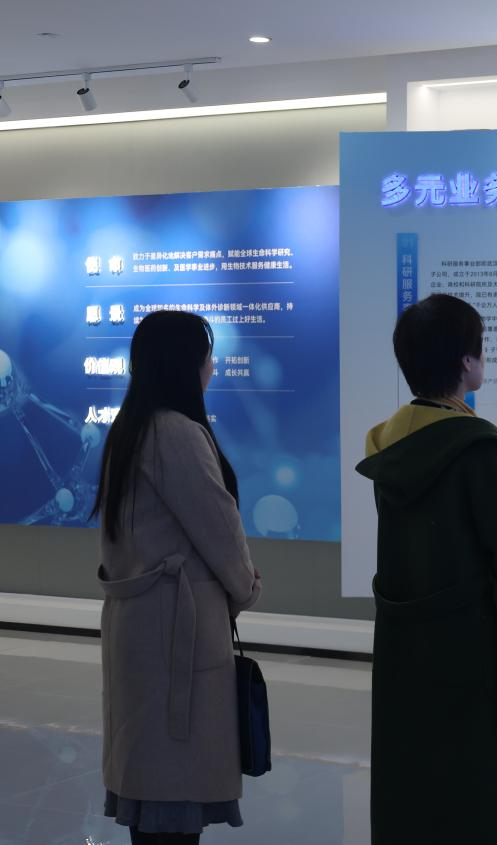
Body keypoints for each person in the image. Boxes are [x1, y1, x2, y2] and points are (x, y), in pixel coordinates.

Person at [356, 294, 497, 845]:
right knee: (485, 784)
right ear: (466, 362)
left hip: (405, 638)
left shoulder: (390, 443)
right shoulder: (478, 448)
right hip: (477, 643)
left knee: (419, 773)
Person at [93, 311, 263, 845]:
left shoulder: (130, 428)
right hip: (175, 638)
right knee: (173, 795)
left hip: (139, 627)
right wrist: (247, 586)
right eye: (207, 356)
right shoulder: (177, 434)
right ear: (185, 364)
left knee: (149, 788)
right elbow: (220, 529)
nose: (212, 366)